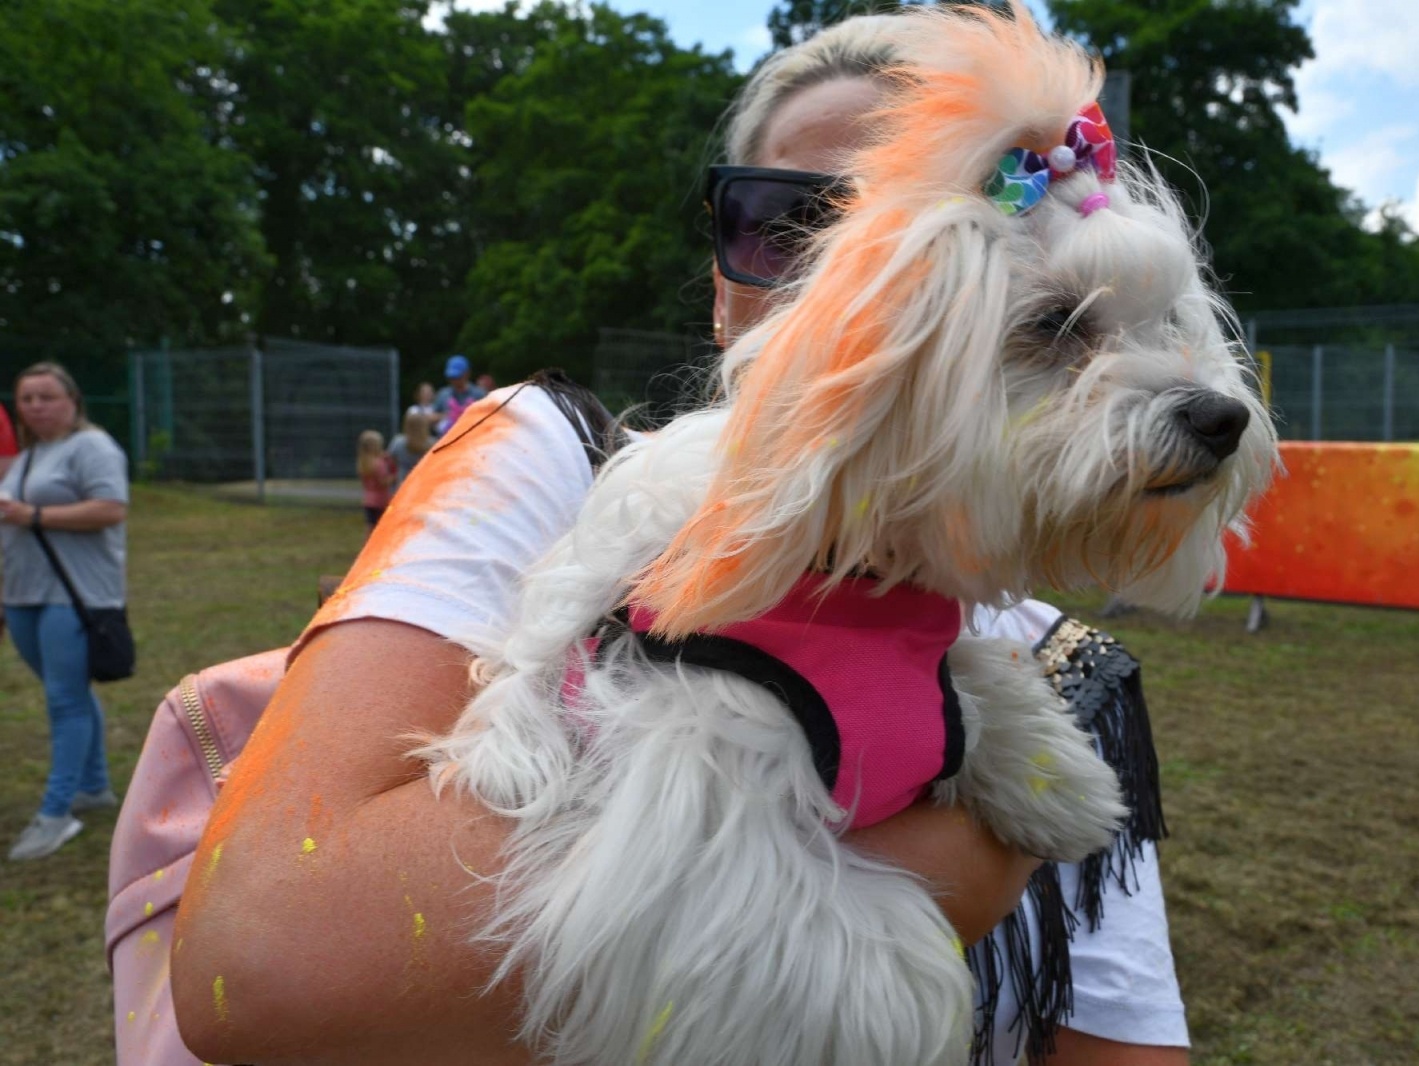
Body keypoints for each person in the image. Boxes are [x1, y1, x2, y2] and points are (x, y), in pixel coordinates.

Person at [173, 14, 1188, 1066]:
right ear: (717, 288)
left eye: (926, 243)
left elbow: (1123, 1037)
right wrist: (943, 885)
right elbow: (257, 969)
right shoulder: (539, 470)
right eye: (789, 228)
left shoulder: (1051, 661)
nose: (856, 288)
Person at [0, 363, 126, 862]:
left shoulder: (92, 447)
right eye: (26, 398)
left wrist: (35, 515)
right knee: (69, 693)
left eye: (46, 396)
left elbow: (111, 508)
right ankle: (94, 787)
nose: (34, 406)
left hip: (74, 595)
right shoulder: (31, 455)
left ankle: (56, 816)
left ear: (72, 400)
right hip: (24, 593)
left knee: (64, 702)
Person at [433, 353, 486, 435]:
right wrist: (446, 416)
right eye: (451, 377)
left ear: (467, 373)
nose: (454, 380)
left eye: (457, 376)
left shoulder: (479, 394)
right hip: (446, 437)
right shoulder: (443, 394)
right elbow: (432, 416)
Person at [356, 429, 397, 530]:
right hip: (381, 501)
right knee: (381, 528)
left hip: (368, 501)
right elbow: (383, 483)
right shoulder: (379, 464)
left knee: (370, 527)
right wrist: (394, 476)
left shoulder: (363, 462)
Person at [387, 409, 433, 487]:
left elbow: (390, 460)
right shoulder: (431, 443)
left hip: (402, 482)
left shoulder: (398, 442)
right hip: (424, 482)